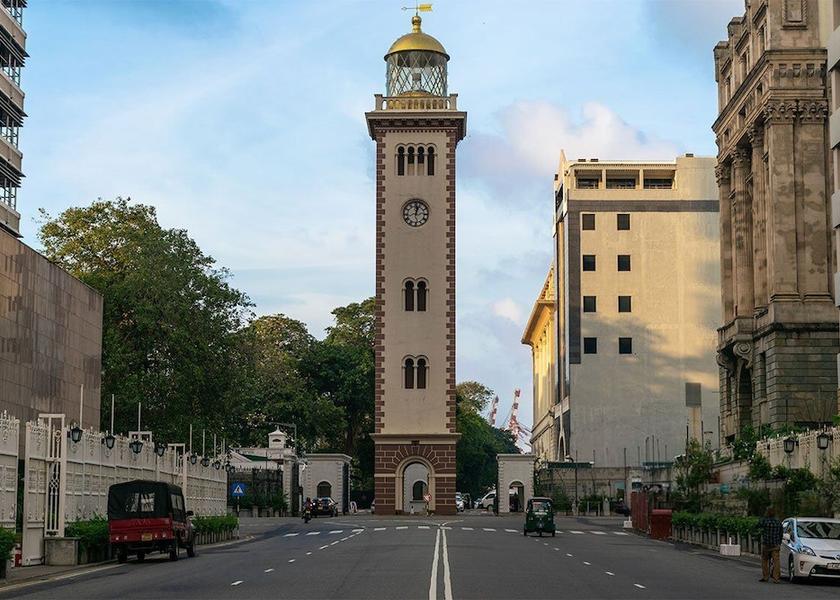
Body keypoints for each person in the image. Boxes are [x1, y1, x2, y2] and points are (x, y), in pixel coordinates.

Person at [759, 507, 783, 583]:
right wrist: (779, 542)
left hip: (766, 544)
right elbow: (781, 533)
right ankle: (776, 578)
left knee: (765, 561)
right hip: (775, 545)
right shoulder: (778, 522)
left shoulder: (765, 521)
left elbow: (758, 525)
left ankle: (765, 577)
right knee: (776, 562)